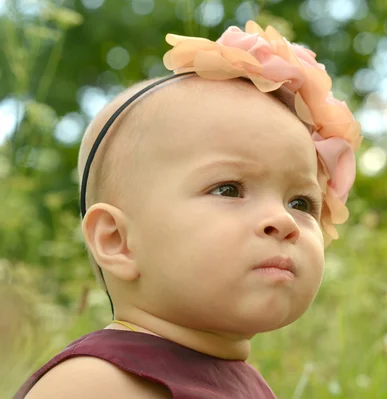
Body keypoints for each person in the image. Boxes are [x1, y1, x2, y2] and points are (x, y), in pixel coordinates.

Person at [14, 20, 362, 399]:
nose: (282, 221)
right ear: (118, 241)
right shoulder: (95, 383)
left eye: (300, 202)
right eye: (229, 189)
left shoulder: (244, 385)